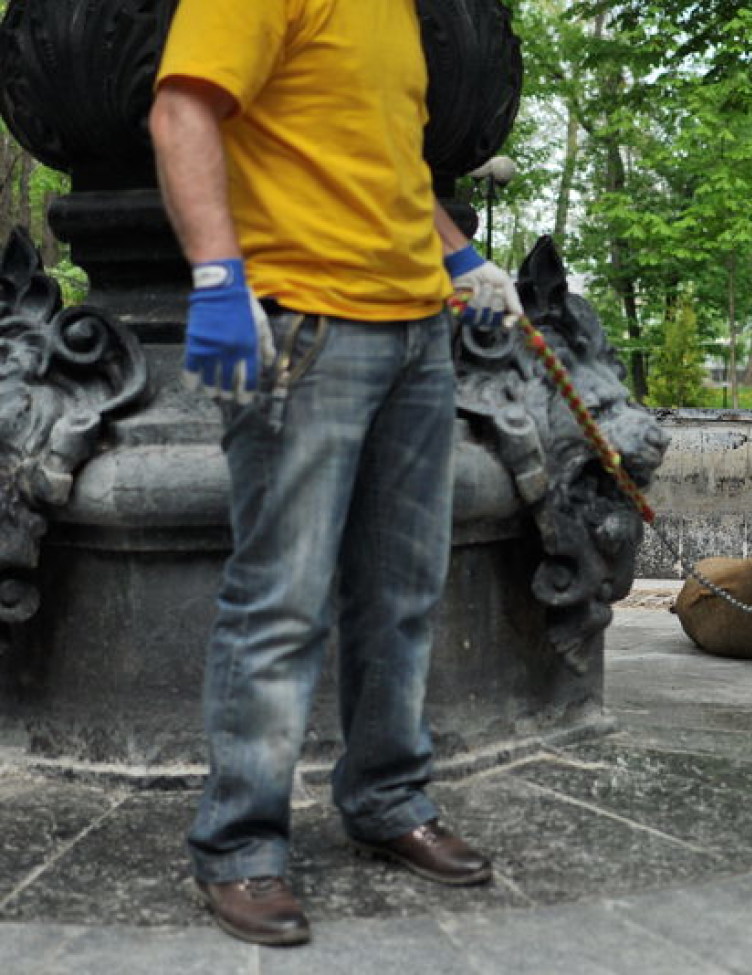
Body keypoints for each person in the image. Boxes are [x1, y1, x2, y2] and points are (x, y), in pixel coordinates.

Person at [149, 0, 524, 947]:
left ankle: (389, 796)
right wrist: (215, 277)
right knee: (281, 599)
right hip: (304, 331)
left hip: (417, 336)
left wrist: (464, 260)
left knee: (403, 589)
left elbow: (389, 166)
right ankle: (238, 845)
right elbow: (182, 110)